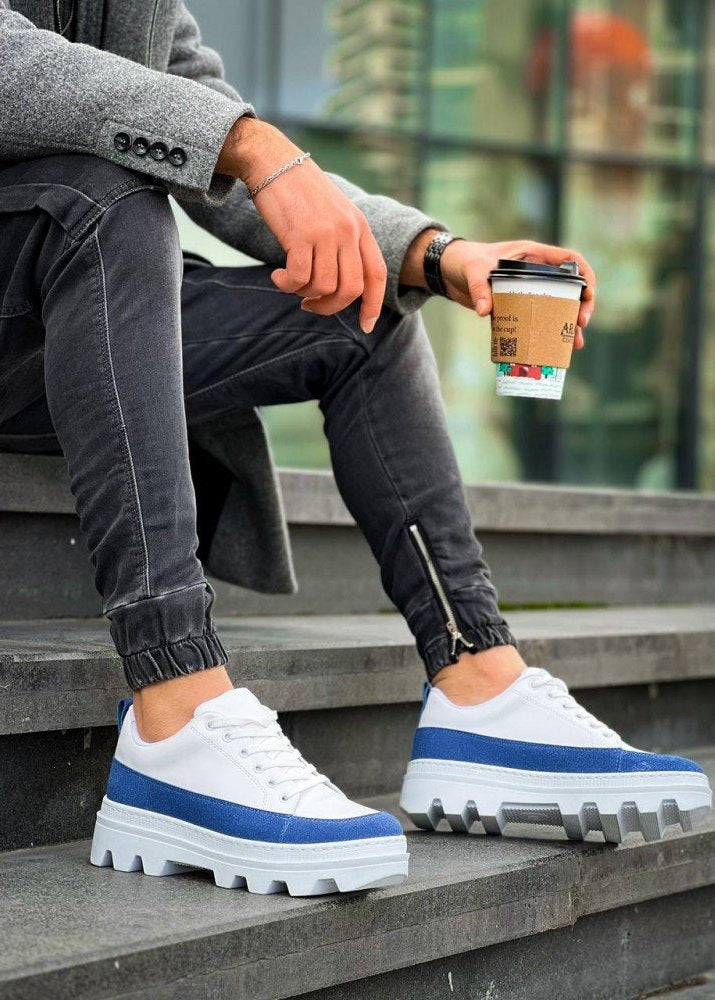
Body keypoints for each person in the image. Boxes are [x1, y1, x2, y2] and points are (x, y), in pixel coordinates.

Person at [0, 1, 709, 897]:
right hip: (54, 260)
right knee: (110, 201)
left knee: (363, 304)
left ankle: (478, 683)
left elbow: (244, 164)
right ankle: (174, 702)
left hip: (73, 310)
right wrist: (249, 145)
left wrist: (441, 255)